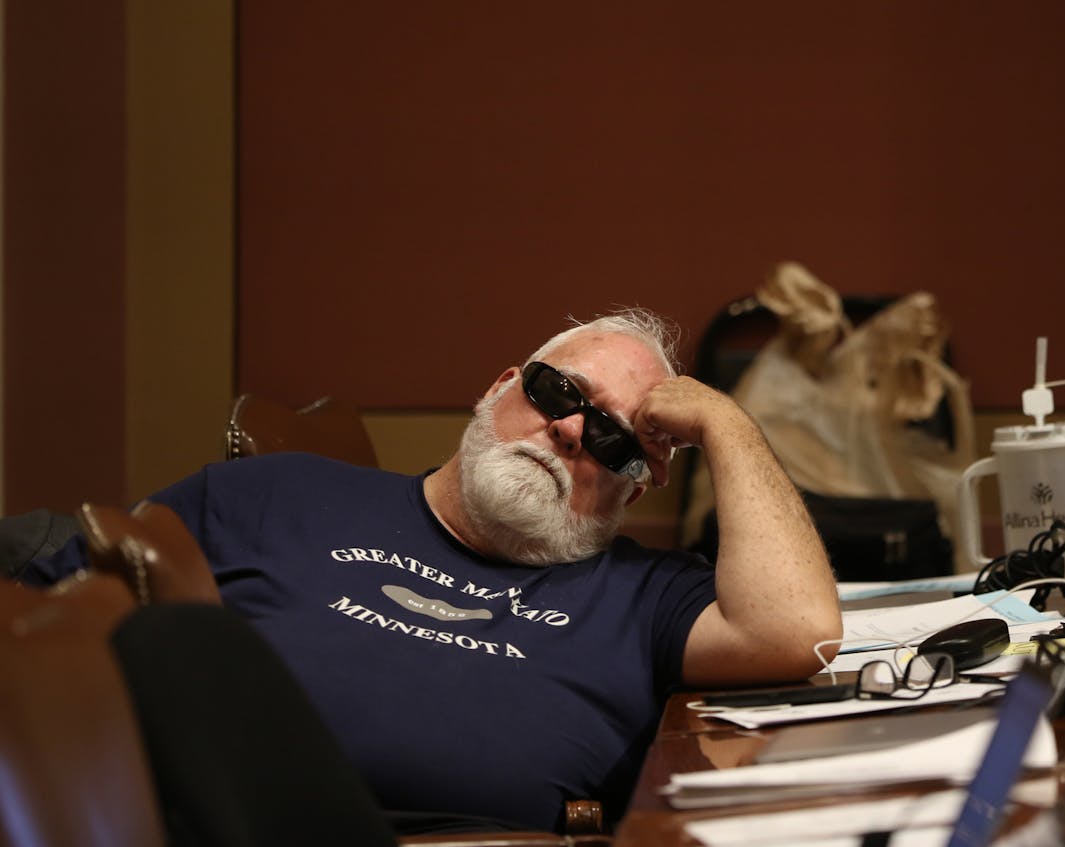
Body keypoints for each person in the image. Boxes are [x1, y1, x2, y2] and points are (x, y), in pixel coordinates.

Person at [21, 307, 841, 832]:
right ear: (500, 387)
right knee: (162, 643)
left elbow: (798, 634)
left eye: (614, 439)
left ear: (638, 483)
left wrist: (727, 422)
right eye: (559, 392)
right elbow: (45, 602)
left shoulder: (645, 594)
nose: (567, 432)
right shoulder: (271, 493)